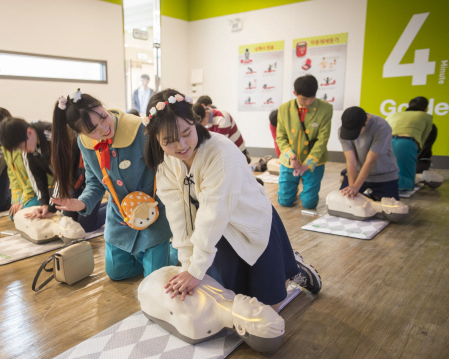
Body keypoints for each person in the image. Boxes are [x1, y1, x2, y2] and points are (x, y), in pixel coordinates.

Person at [143, 88, 322, 311]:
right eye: (168, 141)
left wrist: (196, 269)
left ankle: (293, 268)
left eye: (187, 132)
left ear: (195, 121)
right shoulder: (166, 164)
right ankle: (284, 268)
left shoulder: (220, 152)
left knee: (268, 309)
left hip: (248, 221)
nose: (181, 145)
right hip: (215, 232)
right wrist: (187, 266)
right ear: (156, 140)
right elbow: (178, 216)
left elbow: (213, 213)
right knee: (228, 303)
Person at [47, 90, 177, 280]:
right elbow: (95, 182)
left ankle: (169, 254)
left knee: (155, 279)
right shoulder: (85, 144)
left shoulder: (141, 130)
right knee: (117, 272)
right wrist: (81, 203)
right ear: (82, 133)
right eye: (93, 130)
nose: (103, 128)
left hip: (152, 213)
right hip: (119, 216)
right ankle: (150, 258)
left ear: (102, 106)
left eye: (103, 117)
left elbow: (167, 170)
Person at [0, 117, 106, 232]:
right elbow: (37, 179)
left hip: (87, 181)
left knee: (86, 226)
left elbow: (62, 175)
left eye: (22, 147)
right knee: (70, 223)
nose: (23, 151)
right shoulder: (28, 149)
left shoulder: (55, 137)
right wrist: (44, 204)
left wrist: (51, 207)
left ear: (29, 132)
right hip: (70, 185)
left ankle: (115, 209)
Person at [276, 75, 332, 209]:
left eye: (312, 98)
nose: (308, 102)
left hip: (314, 161)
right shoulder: (284, 109)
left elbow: (322, 139)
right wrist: (291, 156)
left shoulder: (326, 108)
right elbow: (280, 137)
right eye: (304, 99)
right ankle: (292, 190)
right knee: (284, 202)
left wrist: (308, 163)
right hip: (290, 161)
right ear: (295, 93)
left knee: (309, 204)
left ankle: (307, 193)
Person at [0, 107, 46, 219]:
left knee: (22, 215)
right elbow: (12, 173)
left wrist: (23, 200)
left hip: (37, 189)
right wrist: (16, 201)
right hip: (28, 189)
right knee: (13, 215)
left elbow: (33, 175)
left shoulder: (23, 142)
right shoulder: (5, 144)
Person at [338, 106, 400, 201]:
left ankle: (371, 196)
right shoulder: (343, 130)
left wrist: (356, 186)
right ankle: (367, 196)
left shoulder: (381, 126)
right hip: (357, 174)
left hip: (383, 175)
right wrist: (352, 187)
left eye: (355, 131)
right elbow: (351, 160)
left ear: (366, 122)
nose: (352, 134)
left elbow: (370, 161)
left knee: (391, 212)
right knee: (342, 204)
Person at [386, 96, 433, 191]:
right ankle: (384, 183)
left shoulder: (393, 115)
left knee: (388, 171)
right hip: (406, 144)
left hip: (386, 143)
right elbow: (423, 139)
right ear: (426, 109)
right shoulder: (426, 116)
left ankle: (375, 182)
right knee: (408, 183)